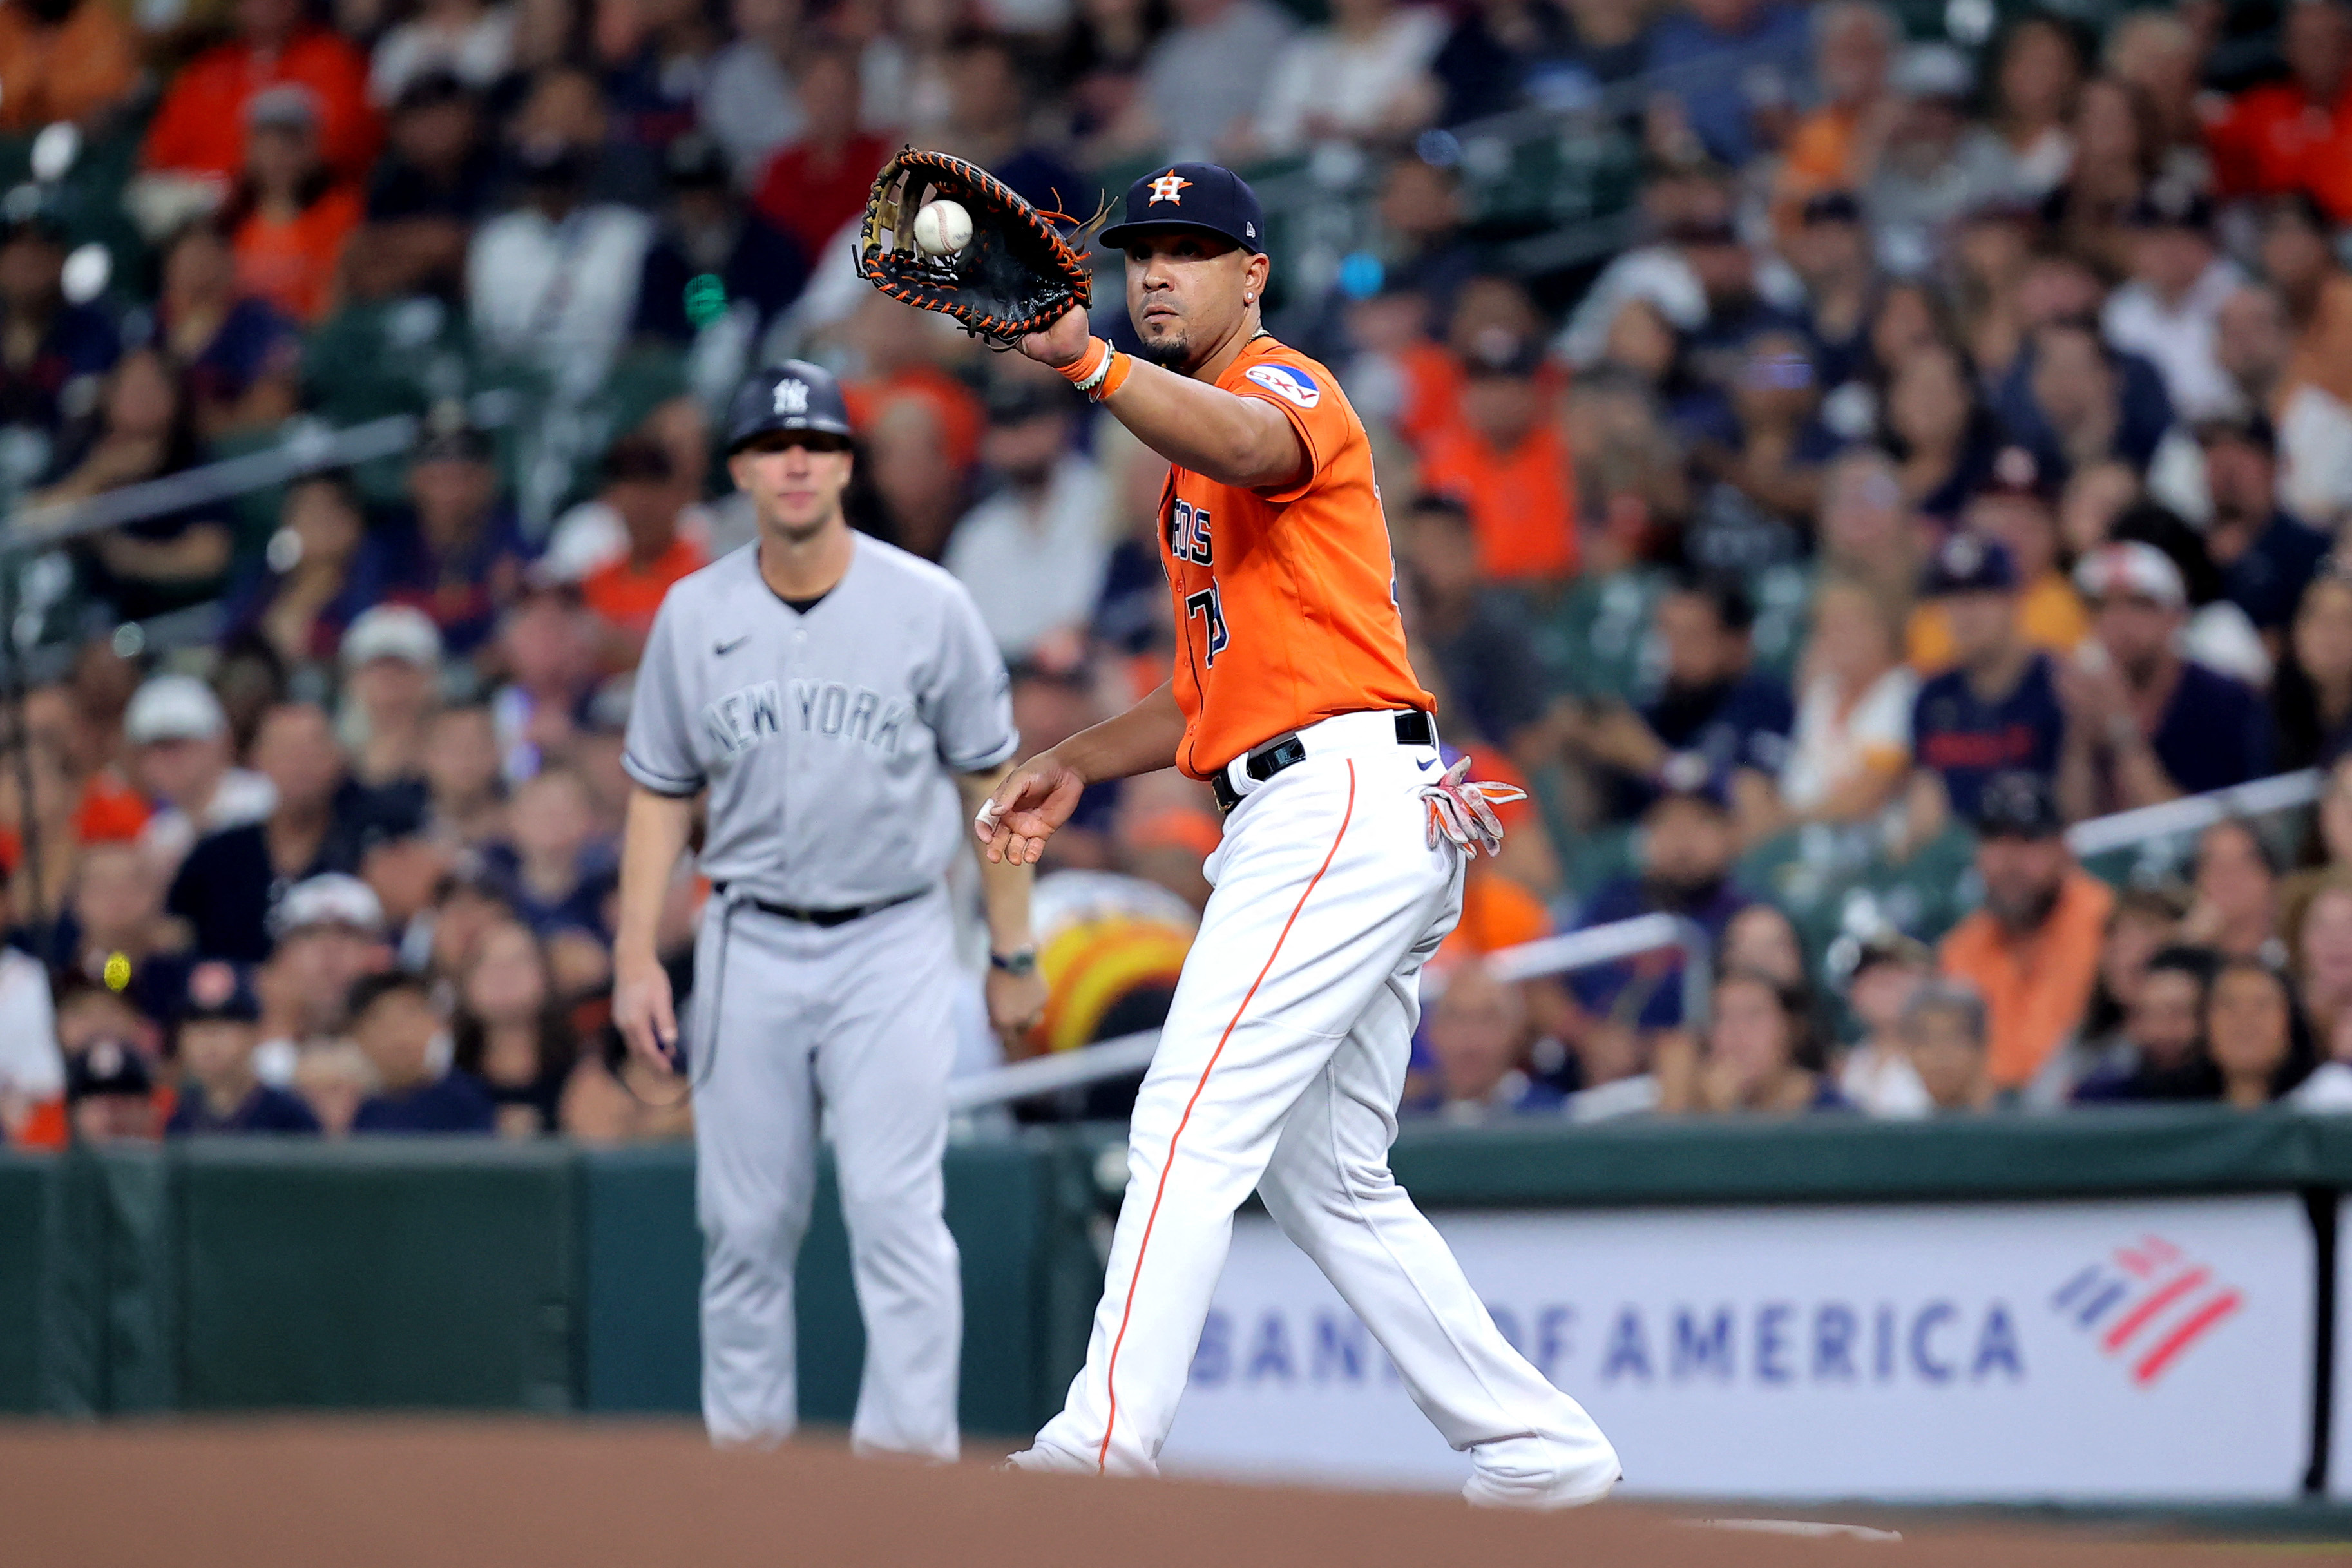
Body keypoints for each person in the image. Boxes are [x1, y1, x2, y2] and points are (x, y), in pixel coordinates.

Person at [977, 164, 1618, 1502]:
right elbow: (1205, 688)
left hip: (1335, 803)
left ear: (1250, 273)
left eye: (1192, 249)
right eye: (1141, 251)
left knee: (1183, 1122)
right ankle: (1541, 1453)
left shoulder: (1285, 386)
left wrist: (1086, 360)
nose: (1157, 271)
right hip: (1329, 800)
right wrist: (1067, 761)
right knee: (1327, 1178)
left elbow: (1254, 445)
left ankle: (1098, 1450)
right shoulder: (1183, 465)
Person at [611, 359, 1046, 1459]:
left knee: (898, 1215)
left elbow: (989, 789)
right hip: (749, 932)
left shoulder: (929, 605)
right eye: (773, 445)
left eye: (817, 443)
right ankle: (748, 1486)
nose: (796, 461)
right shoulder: (691, 612)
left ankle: (906, 1485)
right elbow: (660, 794)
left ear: (848, 464)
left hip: (893, 934)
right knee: (745, 1226)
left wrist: (1011, 948)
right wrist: (633, 957)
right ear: (744, 470)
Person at [2058, 540, 2273, 817]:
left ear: (2176, 615)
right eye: (2100, 606)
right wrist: (2078, 742)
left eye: (2138, 604)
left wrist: (2124, 735)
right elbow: (2074, 824)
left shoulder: (2223, 701)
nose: (2117, 620)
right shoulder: (2084, 694)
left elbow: (2201, 832)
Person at [1938, 770, 2112, 1094]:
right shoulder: (1962, 948)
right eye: (1995, 843)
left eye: (2026, 842)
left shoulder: (2107, 925)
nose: (2008, 862)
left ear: (2064, 849)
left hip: (2088, 1116)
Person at [1907, 534, 2068, 828]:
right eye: (1951, 597)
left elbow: (2076, 809)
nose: (1963, 612)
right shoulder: (1932, 696)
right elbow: (1925, 804)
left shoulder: (2059, 686)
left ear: (2015, 599)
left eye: (1979, 593)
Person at [123, 674, 276, 874]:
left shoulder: (264, 802)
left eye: (176, 746)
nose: (164, 761)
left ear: (222, 743)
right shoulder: (160, 833)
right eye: (152, 749)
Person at [165, 960, 320, 1134]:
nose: (209, 1038)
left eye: (225, 1023)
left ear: (254, 1033)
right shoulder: (179, 1116)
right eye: (197, 1025)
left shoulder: (288, 1116)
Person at [1663, 968, 1844, 1114]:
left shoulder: (1835, 1115)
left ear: (1791, 1029)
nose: (1737, 1033)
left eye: (1753, 1015)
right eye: (1721, 1017)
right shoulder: (1698, 1109)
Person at [347, 970, 496, 1133]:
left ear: (437, 1025)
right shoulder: (342, 1109)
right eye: (384, 1021)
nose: (401, 1036)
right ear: (356, 1034)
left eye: (411, 1016)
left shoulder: (466, 1101)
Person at [1410, 962, 1560, 1120]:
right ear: (1432, 1032)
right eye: (1456, 1017)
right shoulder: (1404, 1121)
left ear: (1517, 1032)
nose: (1469, 1034)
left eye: (1488, 1019)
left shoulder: (1551, 1118)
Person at [1836, 931, 1934, 1116]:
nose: (1885, 985)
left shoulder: (1946, 1060)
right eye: (1870, 976)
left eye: (1899, 972)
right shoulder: (1845, 1069)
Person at [2206, 957, 2310, 1109]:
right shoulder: (2172, 1113)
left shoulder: (2327, 1106)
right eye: (2228, 1004)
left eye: (2262, 1005)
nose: (2245, 1018)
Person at [1902, 978, 1996, 1113]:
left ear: (1981, 1046)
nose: (1939, 1054)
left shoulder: (2020, 1120)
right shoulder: (1905, 1125)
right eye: (1926, 1041)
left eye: (1954, 1039)